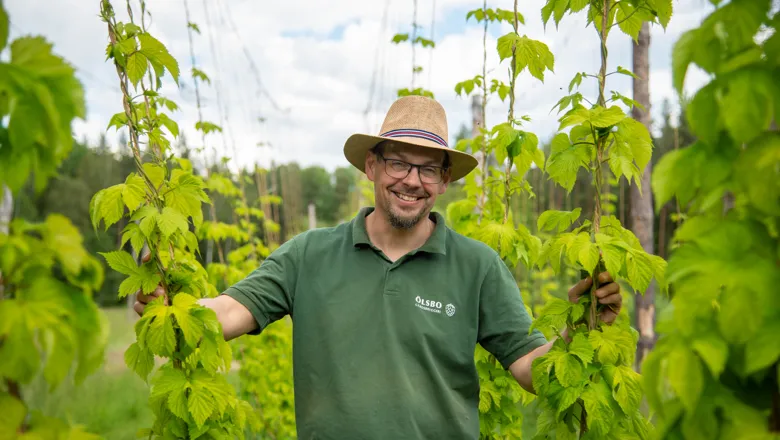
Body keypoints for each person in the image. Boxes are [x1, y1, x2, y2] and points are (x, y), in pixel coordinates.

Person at [133, 95, 622, 439]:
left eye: (428, 168)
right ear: (371, 167)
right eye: (398, 163)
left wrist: (579, 332)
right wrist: (168, 306)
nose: (411, 180)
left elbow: (531, 370)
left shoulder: (478, 267)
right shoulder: (308, 256)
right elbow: (225, 314)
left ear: (444, 180)